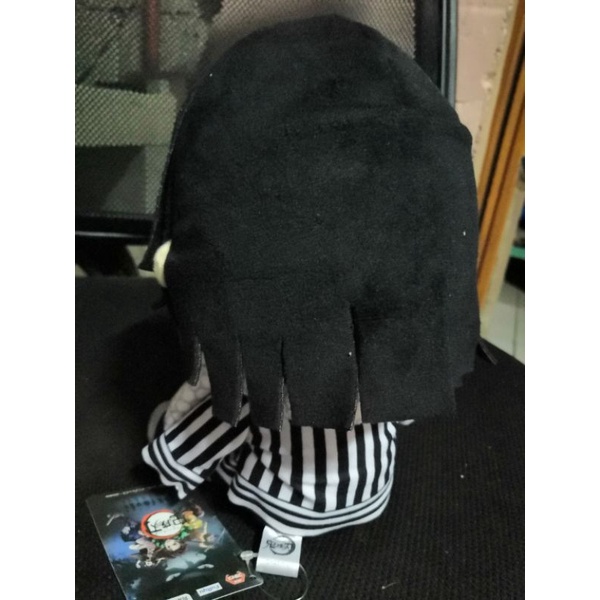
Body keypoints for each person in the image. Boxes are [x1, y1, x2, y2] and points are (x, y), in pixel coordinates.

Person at [140, 15, 479, 538]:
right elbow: (405, 408)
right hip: (374, 493)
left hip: (284, 503)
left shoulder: (272, 368)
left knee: (232, 408)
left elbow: (212, 431)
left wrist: (168, 458)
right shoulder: (391, 350)